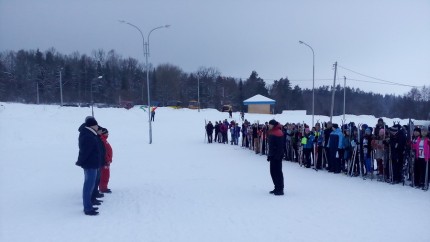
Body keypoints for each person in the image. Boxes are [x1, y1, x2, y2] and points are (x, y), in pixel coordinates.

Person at [75, 116, 102, 216]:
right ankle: (87, 208)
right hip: (90, 165)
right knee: (88, 187)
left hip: (92, 164)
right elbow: (85, 151)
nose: (97, 127)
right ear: (92, 125)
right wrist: (82, 162)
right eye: (96, 125)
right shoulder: (88, 136)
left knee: (90, 186)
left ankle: (89, 205)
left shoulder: (90, 134)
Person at [267, 119, 285, 196]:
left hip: (277, 156)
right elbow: (271, 146)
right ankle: (276, 187)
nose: (269, 125)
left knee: (278, 172)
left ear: (273, 125)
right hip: (272, 155)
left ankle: (280, 189)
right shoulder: (272, 132)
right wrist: (269, 155)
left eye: (270, 124)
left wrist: (277, 156)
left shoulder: (278, 132)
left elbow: (280, 147)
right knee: (273, 172)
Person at [99, 127, 113, 193]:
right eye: (107, 133)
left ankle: (104, 187)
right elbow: (104, 151)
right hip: (105, 161)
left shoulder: (104, 139)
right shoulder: (102, 140)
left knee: (105, 175)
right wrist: (107, 159)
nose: (108, 134)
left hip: (106, 160)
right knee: (105, 175)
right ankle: (103, 188)